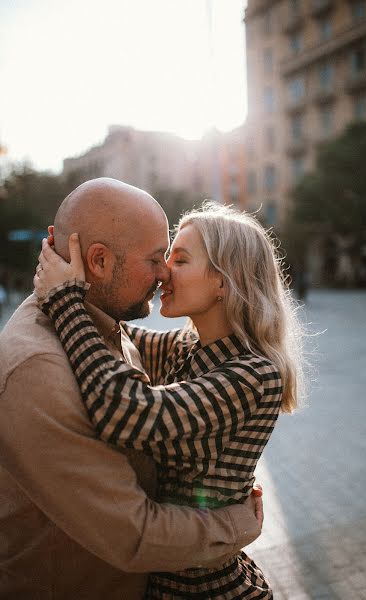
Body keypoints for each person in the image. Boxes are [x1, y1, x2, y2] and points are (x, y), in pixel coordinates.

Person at [0, 179, 263, 600]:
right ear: (99, 262)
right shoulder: (40, 367)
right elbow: (135, 534)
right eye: (157, 258)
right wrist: (237, 525)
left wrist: (66, 293)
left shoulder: (105, 324)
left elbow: (166, 372)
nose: (164, 274)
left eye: (175, 259)